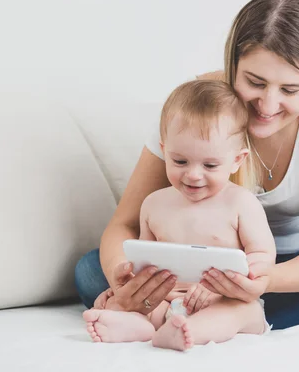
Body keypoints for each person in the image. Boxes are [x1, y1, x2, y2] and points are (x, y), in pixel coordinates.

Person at [74, 0, 299, 331]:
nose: (268, 107)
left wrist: (262, 280)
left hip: (290, 270)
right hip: (197, 272)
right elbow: (124, 224)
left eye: (290, 90)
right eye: (255, 82)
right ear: (232, 64)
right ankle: (219, 318)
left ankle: (220, 317)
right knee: (91, 271)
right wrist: (129, 282)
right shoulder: (195, 106)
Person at [83, 80, 275, 351]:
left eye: (210, 164)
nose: (193, 174)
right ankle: (136, 326)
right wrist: (127, 283)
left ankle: (190, 331)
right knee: (137, 305)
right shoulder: (153, 204)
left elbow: (262, 256)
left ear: (237, 160)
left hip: (222, 299)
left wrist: (227, 286)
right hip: (166, 300)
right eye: (180, 161)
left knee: (244, 311)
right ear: (164, 151)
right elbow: (144, 261)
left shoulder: (242, 203)